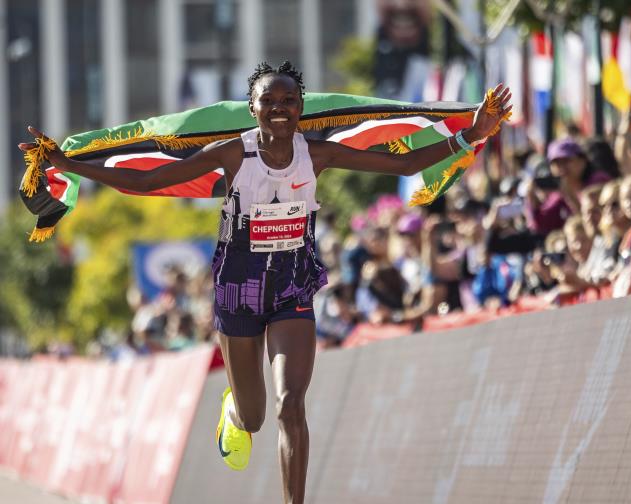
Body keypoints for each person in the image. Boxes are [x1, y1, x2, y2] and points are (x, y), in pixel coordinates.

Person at [18, 61, 512, 504]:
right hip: (240, 287)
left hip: (293, 285)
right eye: (268, 101)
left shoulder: (317, 154)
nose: (279, 108)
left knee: (291, 404)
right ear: (253, 109)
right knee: (254, 418)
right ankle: (234, 410)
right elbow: (150, 181)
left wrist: (471, 135)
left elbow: (403, 164)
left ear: (302, 109)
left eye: (288, 100)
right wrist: (66, 165)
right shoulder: (232, 153)